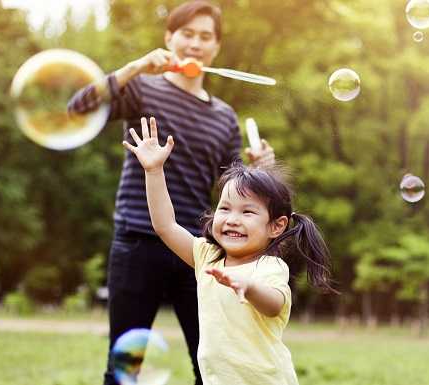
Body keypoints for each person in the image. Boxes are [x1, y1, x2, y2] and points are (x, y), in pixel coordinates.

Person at [67, 2, 275, 384]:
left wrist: (257, 171)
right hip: (136, 242)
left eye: (205, 37)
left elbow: (229, 190)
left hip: (196, 250)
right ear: (169, 38)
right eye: (187, 34)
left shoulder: (224, 117)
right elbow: (77, 107)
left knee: (211, 363)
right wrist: (136, 67)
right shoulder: (142, 90)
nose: (195, 43)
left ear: (216, 47)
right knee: (123, 366)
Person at [123, 116, 338, 384]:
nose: (232, 219)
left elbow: (275, 305)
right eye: (225, 208)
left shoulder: (269, 267)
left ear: (276, 226)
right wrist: (154, 171)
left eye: (248, 212)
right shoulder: (207, 256)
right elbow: (165, 225)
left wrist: (248, 286)